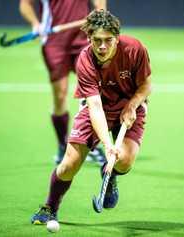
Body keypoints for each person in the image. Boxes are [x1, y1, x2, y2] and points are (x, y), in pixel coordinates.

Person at [30, 9, 152, 224]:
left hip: (130, 104)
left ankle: (111, 174)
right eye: (96, 40)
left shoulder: (134, 49)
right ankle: (50, 207)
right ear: (89, 38)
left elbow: (145, 86)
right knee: (69, 165)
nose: (102, 46)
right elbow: (94, 106)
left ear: (117, 37)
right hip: (98, 108)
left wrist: (132, 106)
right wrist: (107, 145)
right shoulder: (85, 60)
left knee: (123, 161)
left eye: (108, 40)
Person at [19, 0, 107, 165]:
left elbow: (100, 7)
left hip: (83, 39)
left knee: (91, 94)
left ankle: (91, 146)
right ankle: (62, 145)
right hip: (54, 43)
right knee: (60, 96)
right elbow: (25, 4)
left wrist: (97, 17)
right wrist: (36, 24)